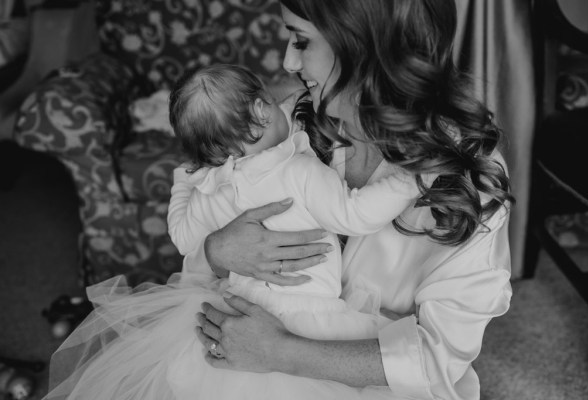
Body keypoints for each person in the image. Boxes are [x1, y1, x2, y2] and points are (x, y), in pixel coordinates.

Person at [41, 63, 429, 400]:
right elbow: (356, 215)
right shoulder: (299, 172)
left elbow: (181, 236)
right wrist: (410, 181)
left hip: (236, 315)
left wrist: (184, 181)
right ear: (263, 109)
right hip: (307, 320)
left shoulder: (216, 188)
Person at [194, 1, 514, 400]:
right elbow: (206, 224)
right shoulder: (291, 123)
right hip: (254, 357)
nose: (288, 61)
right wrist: (216, 250)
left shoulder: (467, 175)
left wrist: (278, 351)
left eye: (301, 41)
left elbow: (436, 359)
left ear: (363, 45)